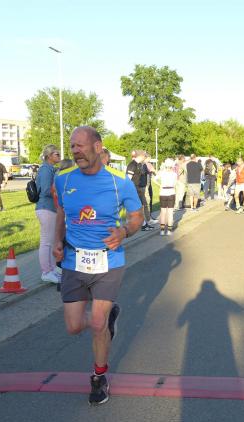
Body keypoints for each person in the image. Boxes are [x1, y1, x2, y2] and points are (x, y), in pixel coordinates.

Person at [52, 126, 143, 405]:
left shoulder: (120, 182)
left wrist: (124, 232)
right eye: (72, 146)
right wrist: (56, 241)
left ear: (97, 146)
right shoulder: (63, 179)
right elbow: (61, 212)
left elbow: (137, 217)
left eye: (80, 145)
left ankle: (99, 377)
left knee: (97, 323)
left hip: (108, 261)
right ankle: (108, 318)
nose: (75, 151)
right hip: (74, 261)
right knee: (73, 326)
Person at [37, 145, 61, 284]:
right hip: (46, 208)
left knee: (51, 241)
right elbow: (46, 190)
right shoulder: (46, 170)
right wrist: (59, 191)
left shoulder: (50, 169)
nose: (59, 156)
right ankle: (46, 272)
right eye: (56, 154)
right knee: (46, 242)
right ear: (49, 156)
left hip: (50, 208)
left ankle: (52, 269)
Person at [156, 158, 178, 235]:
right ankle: (169, 231)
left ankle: (162, 231)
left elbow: (154, 179)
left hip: (163, 192)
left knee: (163, 212)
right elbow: (175, 184)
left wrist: (160, 185)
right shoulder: (174, 174)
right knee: (170, 213)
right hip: (171, 192)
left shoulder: (161, 173)